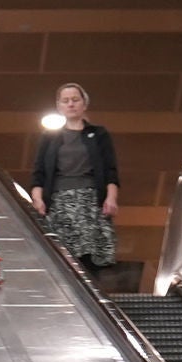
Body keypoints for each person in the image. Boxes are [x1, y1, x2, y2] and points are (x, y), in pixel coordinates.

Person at [28, 83, 121, 273]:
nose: (71, 104)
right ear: (59, 106)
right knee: (63, 257)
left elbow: (110, 170)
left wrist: (111, 198)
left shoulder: (98, 134)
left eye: (75, 100)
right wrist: (37, 200)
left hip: (91, 202)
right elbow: (39, 173)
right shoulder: (49, 136)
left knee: (90, 258)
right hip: (59, 202)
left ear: (84, 104)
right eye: (66, 101)